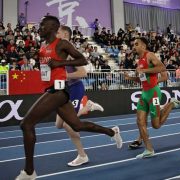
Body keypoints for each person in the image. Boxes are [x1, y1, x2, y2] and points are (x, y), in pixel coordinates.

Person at [16, 16, 122, 180]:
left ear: (52, 27)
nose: (39, 28)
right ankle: (111, 132)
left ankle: (29, 172)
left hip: (58, 91)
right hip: (52, 89)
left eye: (43, 26)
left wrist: (60, 64)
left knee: (26, 124)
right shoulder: (44, 46)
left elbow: (83, 60)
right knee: (76, 125)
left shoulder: (62, 44)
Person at [124, 37, 180, 158]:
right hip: (144, 93)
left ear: (143, 46)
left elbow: (162, 68)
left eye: (136, 44)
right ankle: (149, 149)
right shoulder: (139, 60)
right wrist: (130, 78)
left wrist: (144, 70)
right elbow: (142, 79)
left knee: (156, 125)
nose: (134, 46)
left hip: (154, 93)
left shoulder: (149, 55)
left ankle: (171, 103)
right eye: (133, 44)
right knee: (140, 121)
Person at [55, 25, 105, 167]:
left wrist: (65, 75)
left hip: (75, 89)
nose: (54, 34)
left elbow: (83, 73)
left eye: (57, 32)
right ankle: (87, 106)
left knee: (68, 124)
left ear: (65, 35)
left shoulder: (71, 52)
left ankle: (82, 156)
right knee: (58, 124)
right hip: (64, 90)